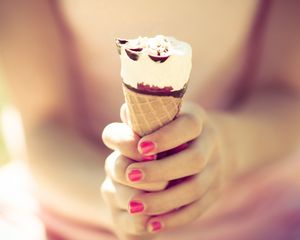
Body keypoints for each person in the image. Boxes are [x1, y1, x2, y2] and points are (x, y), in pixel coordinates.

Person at [1, 0, 300, 239]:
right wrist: (116, 203)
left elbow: (286, 97)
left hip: (257, 213)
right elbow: (44, 125)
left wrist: (226, 149)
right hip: (74, 212)